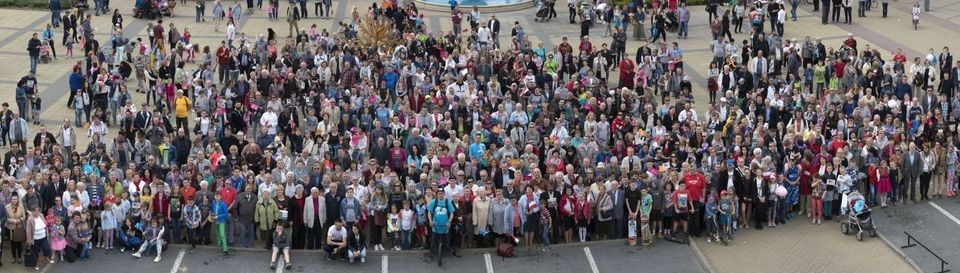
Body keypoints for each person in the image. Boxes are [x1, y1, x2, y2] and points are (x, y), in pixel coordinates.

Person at [428, 188, 455, 259]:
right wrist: (430, 221)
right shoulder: (434, 201)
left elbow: (452, 213)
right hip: (435, 226)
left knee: (446, 241)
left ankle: (446, 254)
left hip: (445, 226)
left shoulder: (447, 201)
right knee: (433, 241)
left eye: (442, 194)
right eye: (439, 194)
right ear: (437, 194)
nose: (440, 195)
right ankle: (432, 254)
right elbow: (429, 212)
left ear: (444, 194)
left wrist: (449, 221)